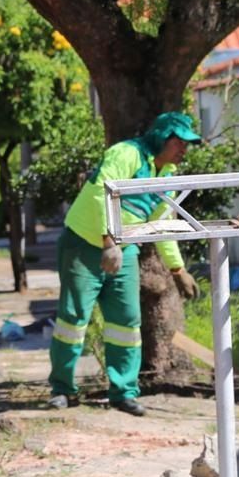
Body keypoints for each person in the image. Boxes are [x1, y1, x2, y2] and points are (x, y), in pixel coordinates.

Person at [48, 112, 202, 416]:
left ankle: (123, 392)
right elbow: (100, 193)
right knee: (73, 320)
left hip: (125, 249)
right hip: (84, 244)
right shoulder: (127, 153)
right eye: (180, 142)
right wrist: (108, 241)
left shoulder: (167, 176)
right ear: (162, 138)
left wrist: (178, 269)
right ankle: (62, 389)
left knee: (126, 322)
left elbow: (161, 224)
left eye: (188, 144)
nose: (184, 149)